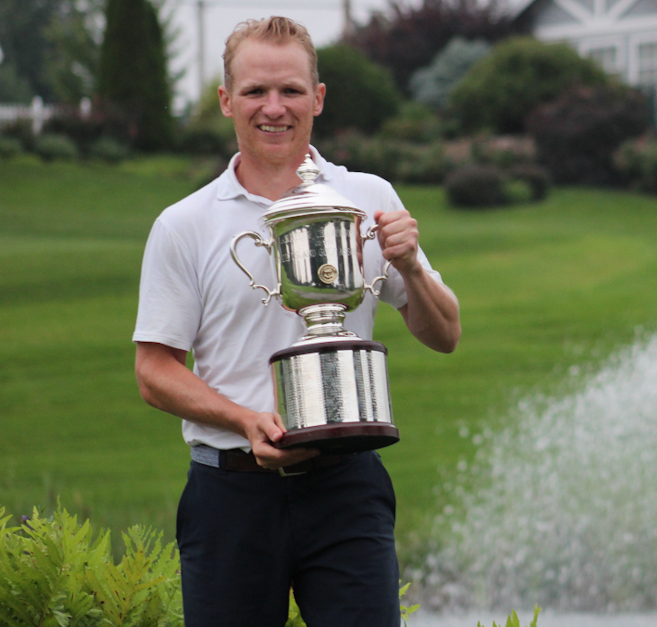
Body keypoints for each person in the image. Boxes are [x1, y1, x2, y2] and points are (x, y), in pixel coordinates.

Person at [132, 16, 460, 627]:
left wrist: (412, 266)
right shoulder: (185, 224)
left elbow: (445, 335)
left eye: (291, 90)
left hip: (346, 488)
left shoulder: (369, 198)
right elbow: (154, 371)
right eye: (255, 91)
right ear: (226, 100)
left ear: (318, 97)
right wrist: (245, 420)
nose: (274, 108)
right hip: (230, 493)